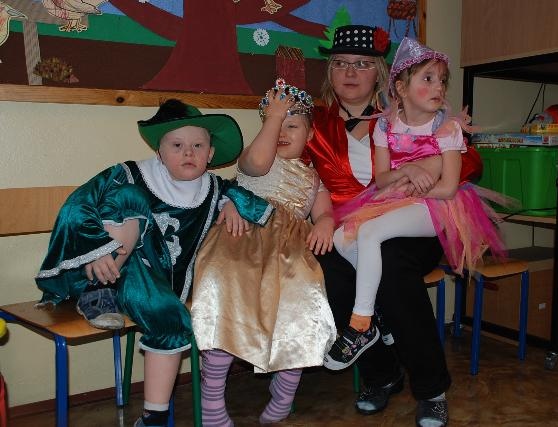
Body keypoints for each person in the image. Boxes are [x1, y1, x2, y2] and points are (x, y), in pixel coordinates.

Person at [35, 99, 274, 427]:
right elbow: (78, 205)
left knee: (171, 316)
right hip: (108, 267)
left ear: (210, 154)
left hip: (157, 286)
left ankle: (154, 418)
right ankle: (97, 291)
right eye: (176, 145)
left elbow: (258, 206)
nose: (188, 152)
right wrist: (98, 248)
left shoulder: (215, 189)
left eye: (197, 146)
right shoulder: (130, 174)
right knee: (128, 196)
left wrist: (231, 202)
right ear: (159, 153)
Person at [306, 25, 481, 427]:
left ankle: (431, 389)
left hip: (417, 218)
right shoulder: (315, 124)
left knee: (392, 266)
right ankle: (381, 373)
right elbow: (293, 173)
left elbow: (470, 160)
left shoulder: (406, 112)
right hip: (353, 222)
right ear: (330, 72)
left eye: (362, 64)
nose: (351, 72)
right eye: (341, 64)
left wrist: (427, 164)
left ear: (382, 74)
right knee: (328, 264)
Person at [323, 36, 508, 370]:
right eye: (341, 63)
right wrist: (406, 172)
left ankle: (362, 324)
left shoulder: (444, 128)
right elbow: (382, 178)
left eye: (442, 81)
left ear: (379, 74)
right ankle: (380, 322)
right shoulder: (373, 125)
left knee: (376, 241)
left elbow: (453, 182)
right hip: (392, 201)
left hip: (434, 207)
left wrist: (423, 174)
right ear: (401, 87)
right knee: (341, 238)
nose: (439, 88)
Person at [191, 79, 337, 426]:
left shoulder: (314, 178)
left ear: (310, 135)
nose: (281, 131)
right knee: (227, 288)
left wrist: (325, 223)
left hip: (288, 252)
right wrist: (274, 117)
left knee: (302, 298)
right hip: (241, 237)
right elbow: (257, 163)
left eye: (292, 125)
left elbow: (325, 212)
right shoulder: (255, 159)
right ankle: (212, 397)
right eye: (274, 124)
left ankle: (285, 391)